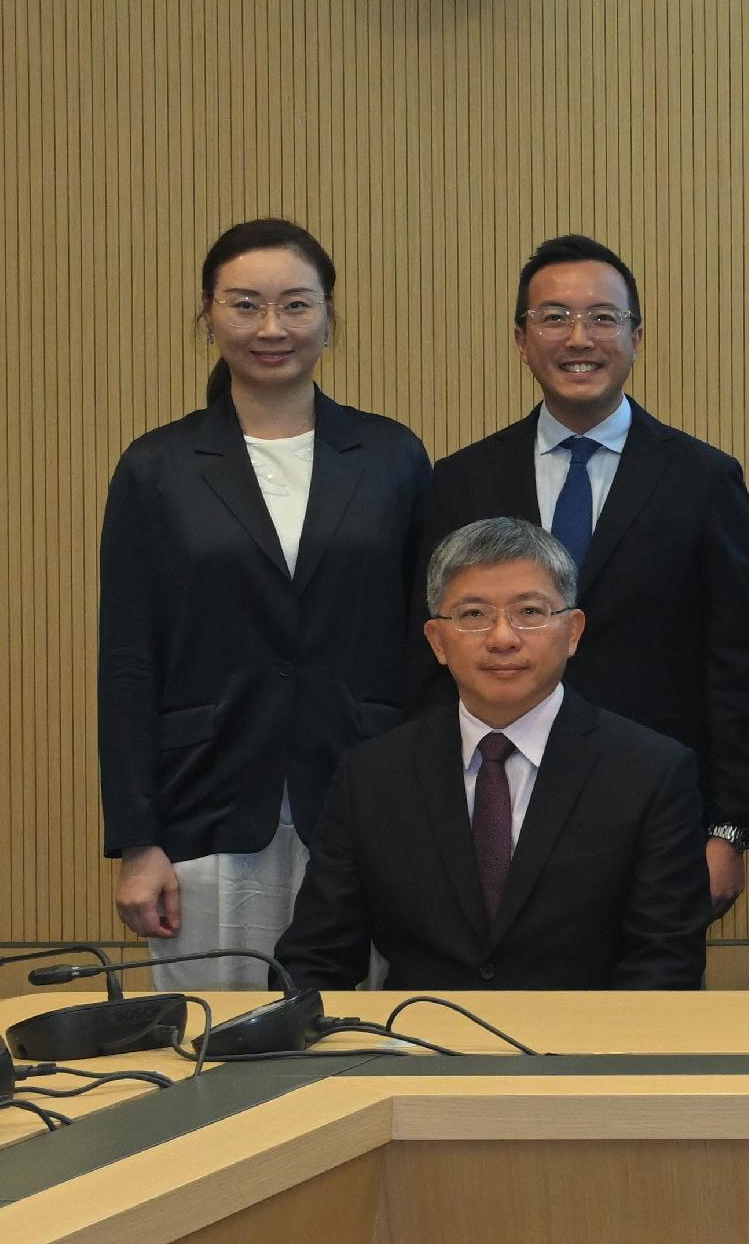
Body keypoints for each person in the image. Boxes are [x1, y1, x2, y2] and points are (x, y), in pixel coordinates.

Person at [98, 220, 432, 988]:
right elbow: (127, 665)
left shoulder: (392, 458)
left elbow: (427, 644)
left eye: (295, 305)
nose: (272, 328)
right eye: (246, 305)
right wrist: (136, 842)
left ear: (329, 315)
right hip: (206, 802)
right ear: (208, 314)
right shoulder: (158, 468)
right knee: (216, 1047)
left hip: (366, 790)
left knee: (361, 1035)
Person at [415, 235, 749, 912]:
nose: (579, 337)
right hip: (495, 804)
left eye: (603, 318)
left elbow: (735, 662)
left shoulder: (702, 480)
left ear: (637, 337)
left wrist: (730, 828)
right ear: (521, 340)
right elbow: (431, 656)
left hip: (653, 809)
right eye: (554, 318)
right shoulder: (463, 479)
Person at [279, 519, 711, 990]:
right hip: (417, 1053)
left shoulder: (651, 772)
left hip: (585, 1055)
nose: (503, 638)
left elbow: (664, 967)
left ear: (572, 631)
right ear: (437, 642)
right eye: (473, 615)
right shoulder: (372, 776)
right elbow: (316, 961)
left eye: (529, 611)